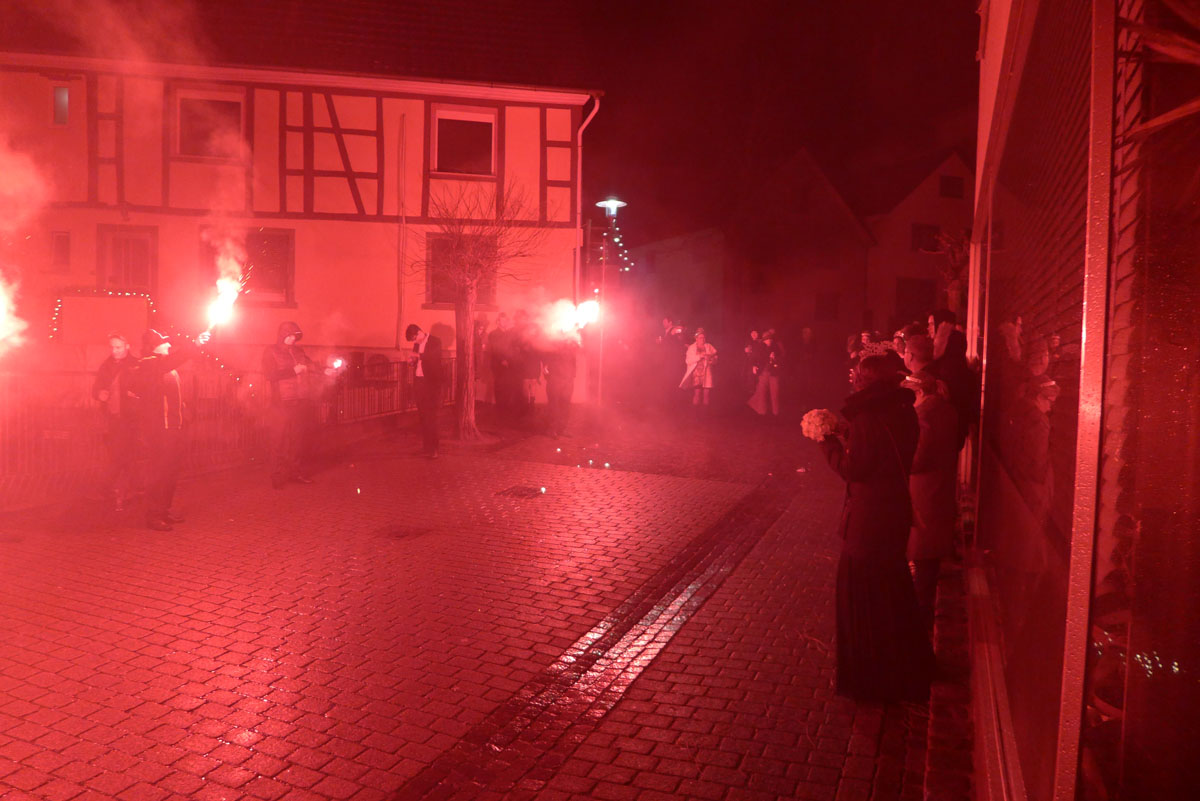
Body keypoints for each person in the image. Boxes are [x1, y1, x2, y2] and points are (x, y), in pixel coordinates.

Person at [819, 355, 934, 701]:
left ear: (866, 382)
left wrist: (827, 444)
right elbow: (882, 452)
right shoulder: (902, 410)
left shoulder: (869, 417)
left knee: (864, 594)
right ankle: (903, 666)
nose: (852, 380)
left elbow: (855, 469)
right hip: (893, 512)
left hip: (869, 520)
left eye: (857, 376)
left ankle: (871, 678)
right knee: (892, 590)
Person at [133, 328, 209, 531]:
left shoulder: (164, 365)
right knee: (158, 473)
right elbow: (172, 361)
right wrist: (194, 344)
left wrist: (184, 414)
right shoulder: (148, 364)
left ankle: (164, 510)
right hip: (160, 431)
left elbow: (172, 394)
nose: (168, 344)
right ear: (154, 347)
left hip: (173, 428)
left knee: (170, 473)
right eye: (163, 342)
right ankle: (153, 515)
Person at [903, 368, 960, 634]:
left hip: (924, 496)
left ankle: (917, 626)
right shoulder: (947, 411)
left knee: (922, 562)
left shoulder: (923, 417)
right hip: (940, 492)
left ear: (919, 393)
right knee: (929, 562)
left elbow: (917, 460)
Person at [261, 321, 333, 489]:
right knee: (278, 440)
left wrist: (324, 370)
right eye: (291, 335)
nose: (293, 339)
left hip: (299, 401)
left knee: (297, 440)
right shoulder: (270, 351)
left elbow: (310, 365)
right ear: (283, 335)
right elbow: (270, 375)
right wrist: (293, 371)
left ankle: (295, 472)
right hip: (281, 403)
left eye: (295, 336)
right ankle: (277, 476)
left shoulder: (298, 351)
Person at [91, 332, 140, 511]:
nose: (114, 351)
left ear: (127, 346)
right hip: (113, 418)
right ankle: (126, 489)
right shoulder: (106, 366)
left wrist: (136, 395)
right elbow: (96, 388)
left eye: (118, 347)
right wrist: (99, 394)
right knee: (120, 455)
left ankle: (114, 489)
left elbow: (146, 388)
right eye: (112, 347)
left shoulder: (137, 365)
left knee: (123, 454)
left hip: (132, 418)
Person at [406, 323, 444, 458]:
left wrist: (418, 356)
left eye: (414, 339)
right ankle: (426, 446)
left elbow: (433, 357)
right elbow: (418, 360)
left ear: (419, 332)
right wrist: (412, 362)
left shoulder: (435, 341)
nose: (415, 342)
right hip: (419, 381)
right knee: (422, 416)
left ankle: (434, 449)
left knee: (432, 417)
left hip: (431, 383)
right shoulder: (417, 344)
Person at [543, 337, 578, 438]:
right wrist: (549, 376)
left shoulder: (571, 347)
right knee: (554, 405)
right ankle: (552, 430)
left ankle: (562, 429)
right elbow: (545, 363)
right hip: (555, 380)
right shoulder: (551, 346)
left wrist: (572, 376)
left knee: (565, 405)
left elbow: (573, 362)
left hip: (568, 381)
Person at [488, 313, 517, 421]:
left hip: (509, 364)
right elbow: (495, 349)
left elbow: (512, 348)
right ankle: (500, 409)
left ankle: (506, 409)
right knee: (500, 386)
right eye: (502, 320)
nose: (504, 322)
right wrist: (502, 360)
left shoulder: (509, 334)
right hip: (498, 365)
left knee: (508, 386)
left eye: (506, 320)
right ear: (498, 322)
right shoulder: (494, 334)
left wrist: (511, 360)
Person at [748, 329, 782, 416]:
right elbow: (754, 358)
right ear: (764, 340)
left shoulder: (776, 347)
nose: (769, 341)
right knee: (762, 392)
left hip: (774, 373)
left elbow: (781, 358)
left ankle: (776, 413)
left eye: (770, 339)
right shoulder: (759, 348)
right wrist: (754, 366)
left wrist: (775, 358)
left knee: (775, 392)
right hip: (764, 373)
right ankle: (762, 411)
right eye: (767, 339)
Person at [679, 328, 718, 406]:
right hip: (696, 375)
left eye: (703, 337)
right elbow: (688, 361)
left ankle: (705, 411)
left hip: (707, 374)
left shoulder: (709, 346)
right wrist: (700, 356)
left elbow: (715, 358)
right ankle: (695, 411)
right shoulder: (692, 348)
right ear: (696, 338)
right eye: (700, 338)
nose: (702, 339)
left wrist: (711, 360)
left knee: (706, 394)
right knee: (697, 394)